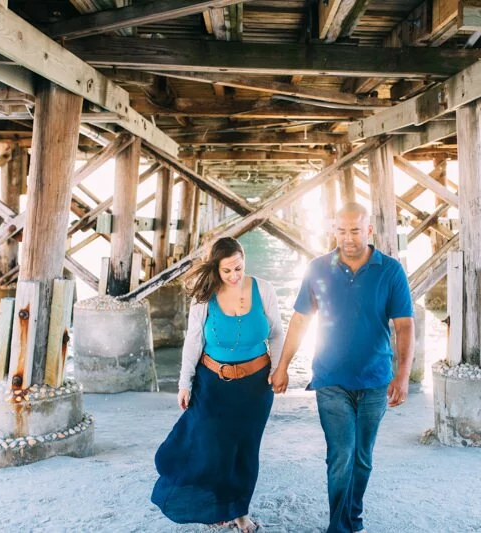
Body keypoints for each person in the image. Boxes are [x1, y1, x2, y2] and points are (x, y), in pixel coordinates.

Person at [271, 202, 415, 533]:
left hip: (375, 380)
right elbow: (300, 320)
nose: (347, 238)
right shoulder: (318, 268)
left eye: (354, 231)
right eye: (341, 230)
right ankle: (340, 527)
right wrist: (283, 366)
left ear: (369, 231)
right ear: (332, 231)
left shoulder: (390, 270)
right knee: (341, 456)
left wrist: (402, 377)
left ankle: (354, 518)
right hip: (331, 378)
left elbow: (404, 326)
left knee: (362, 458)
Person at [151, 237, 284, 533]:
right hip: (212, 385)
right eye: (227, 271)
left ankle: (240, 514)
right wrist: (184, 382)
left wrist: (278, 369)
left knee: (245, 452)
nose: (234, 276)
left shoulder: (264, 289)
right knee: (211, 448)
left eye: (238, 267)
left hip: (255, 389)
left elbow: (276, 333)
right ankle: (215, 506)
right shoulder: (205, 295)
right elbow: (194, 339)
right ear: (216, 269)